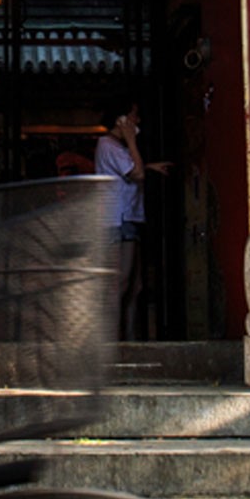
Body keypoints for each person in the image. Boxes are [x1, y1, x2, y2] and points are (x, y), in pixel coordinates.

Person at [94, 98, 171, 340]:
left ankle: (129, 340)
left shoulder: (117, 147)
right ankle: (111, 342)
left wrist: (149, 166)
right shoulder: (108, 144)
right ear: (121, 120)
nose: (138, 120)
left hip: (128, 218)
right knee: (121, 283)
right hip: (118, 220)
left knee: (135, 286)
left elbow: (131, 168)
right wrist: (131, 140)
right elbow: (135, 173)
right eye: (134, 115)